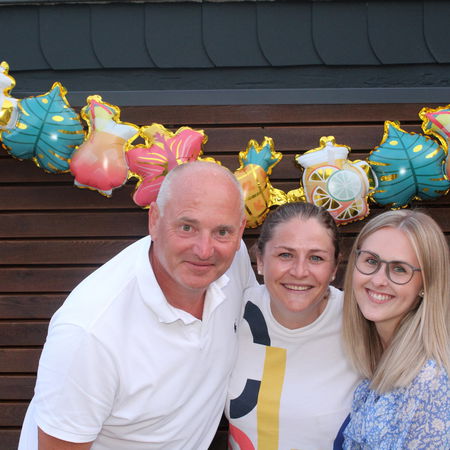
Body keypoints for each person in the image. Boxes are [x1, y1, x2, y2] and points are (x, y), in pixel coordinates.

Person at [19, 161, 257, 450]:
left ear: (239, 232)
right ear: (154, 220)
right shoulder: (89, 333)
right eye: (187, 227)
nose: (204, 250)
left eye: (222, 232)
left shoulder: (233, 263)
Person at [226, 202, 360, 449]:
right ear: (261, 260)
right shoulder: (231, 311)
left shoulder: (360, 321)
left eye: (316, 258)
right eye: (285, 255)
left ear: (334, 267)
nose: (299, 271)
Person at [342, 210, 450, 448]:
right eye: (371, 261)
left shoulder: (429, 381)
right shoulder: (379, 357)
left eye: (400, 269)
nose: (378, 280)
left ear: (426, 285)